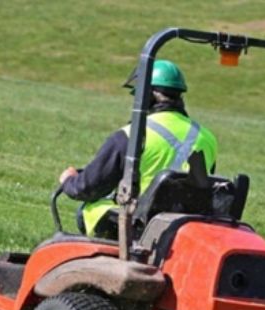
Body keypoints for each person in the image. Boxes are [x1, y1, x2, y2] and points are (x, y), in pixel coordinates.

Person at [58, 59, 218, 239]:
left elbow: (88, 187)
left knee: (89, 210)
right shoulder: (207, 138)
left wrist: (69, 181)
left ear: (147, 96)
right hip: (185, 226)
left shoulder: (130, 136)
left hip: (140, 226)